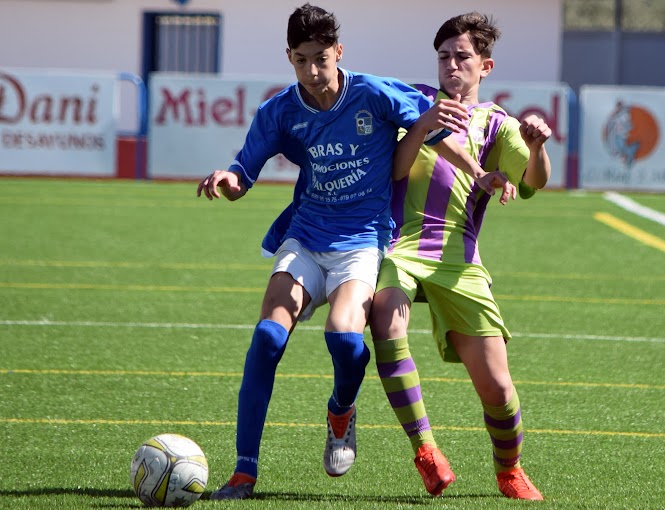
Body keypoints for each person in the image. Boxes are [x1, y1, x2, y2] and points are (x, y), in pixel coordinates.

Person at [196, 4, 513, 501]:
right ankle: (243, 471)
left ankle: (340, 413)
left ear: (338, 53)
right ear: (289, 57)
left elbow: (432, 132)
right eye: (301, 61)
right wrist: (226, 180)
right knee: (266, 337)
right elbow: (244, 174)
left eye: (321, 59)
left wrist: (478, 174)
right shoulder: (279, 111)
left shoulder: (372, 92)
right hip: (305, 236)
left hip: (363, 242)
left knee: (345, 340)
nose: (312, 72)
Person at [369, 12, 551, 501]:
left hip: (460, 258)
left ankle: (509, 470)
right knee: (384, 314)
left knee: (497, 387)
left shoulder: (498, 124)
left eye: (462, 56)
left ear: (485, 66)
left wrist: (535, 147)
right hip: (400, 244)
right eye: (444, 56)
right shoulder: (415, 101)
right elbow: (391, 166)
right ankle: (426, 449)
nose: (451, 64)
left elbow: (534, 183)